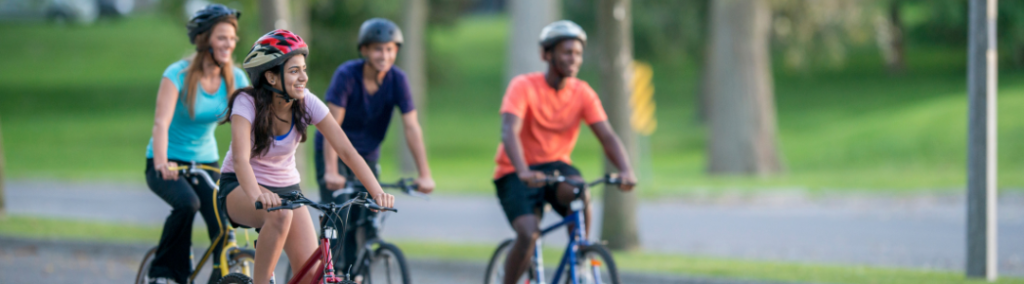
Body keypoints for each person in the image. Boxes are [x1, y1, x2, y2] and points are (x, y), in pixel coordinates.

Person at [217, 29, 395, 284]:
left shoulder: (305, 102)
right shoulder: (246, 102)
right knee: (279, 215)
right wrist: (259, 195)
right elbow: (241, 160)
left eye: (303, 69)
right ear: (271, 77)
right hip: (241, 187)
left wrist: (376, 192)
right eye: (294, 71)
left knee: (311, 277)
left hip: (288, 191)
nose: (304, 77)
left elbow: (346, 150)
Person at [492, 20, 637, 284]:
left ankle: (579, 260)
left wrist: (626, 170)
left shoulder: (582, 93)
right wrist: (523, 171)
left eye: (578, 53)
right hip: (515, 171)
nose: (574, 59)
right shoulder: (523, 86)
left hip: (555, 167)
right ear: (547, 54)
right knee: (528, 234)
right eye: (567, 52)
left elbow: (607, 136)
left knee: (579, 190)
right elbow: (508, 131)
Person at [313, 17, 435, 272]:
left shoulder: (398, 80)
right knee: (339, 218)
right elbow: (331, 127)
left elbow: (411, 127)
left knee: (369, 218)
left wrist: (424, 174)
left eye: (390, 49)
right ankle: (329, 272)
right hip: (333, 152)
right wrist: (331, 171)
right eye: (378, 48)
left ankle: (357, 275)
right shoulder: (347, 75)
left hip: (366, 156)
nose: (384, 54)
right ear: (365, 50)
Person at [143, 4, 246, 284]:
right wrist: (163, 162)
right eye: (222, 37)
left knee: (224, 222)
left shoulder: (236, 78)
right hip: (165, 160)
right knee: (186, 203)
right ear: (205, 39)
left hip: (206, 161)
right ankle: (163, 274)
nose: (229, 44)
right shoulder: (176, 74)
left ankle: (222, 277)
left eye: (232, 38)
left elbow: (248, 126)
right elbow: (160, 123)